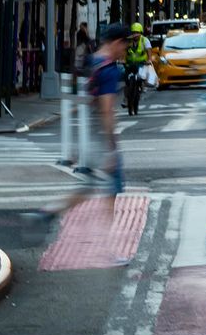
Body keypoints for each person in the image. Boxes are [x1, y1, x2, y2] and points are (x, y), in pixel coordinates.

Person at [23, 24, 130, 265]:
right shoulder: (110, 69)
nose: (125, 50)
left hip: (87, 137)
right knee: (110, 194)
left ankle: (45, 214)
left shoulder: (91, 62)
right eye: (125, 44)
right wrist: (112, 147)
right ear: (115, 42)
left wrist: (75, 143)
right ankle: (106, 249)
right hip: (102, 141)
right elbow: (106, 110)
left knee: (87, 190)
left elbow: (77, 102)